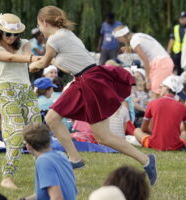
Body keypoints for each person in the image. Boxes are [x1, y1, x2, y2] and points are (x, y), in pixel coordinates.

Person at [29, 6, 157, 185]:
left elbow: (44, 62)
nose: (40, 29)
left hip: (89, 82)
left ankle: (146, 160)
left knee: (103, 136)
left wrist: (31, 64)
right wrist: (39, 61)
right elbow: (65, 65)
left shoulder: (54, 39)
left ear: (44, 22)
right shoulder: (66, 34)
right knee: (52, 118)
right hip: (85, 80)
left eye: (38, 25)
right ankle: (75, 158)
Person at [0, 13, 42, 189]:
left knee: (38, 133)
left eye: (15, 34)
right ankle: (7, 177)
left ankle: (45, 173)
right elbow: (10, 58)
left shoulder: (25, 43)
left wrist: (37, 61)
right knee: (16, 133)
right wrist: (33, 59)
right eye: (8, 34)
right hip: (7, 91)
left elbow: (27, 59)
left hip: (26, 90)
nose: (12, 37)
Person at [113, 25, 174, 99]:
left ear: (124, 35)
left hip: (161, 64)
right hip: (164, 62)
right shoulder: (138, 35)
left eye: (118, 38)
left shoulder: (134, 41)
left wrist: (147, 79)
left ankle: (154, 110)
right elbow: (147, 49)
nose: (118, 40)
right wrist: (129, 49)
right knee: (160, 91)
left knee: (156, 93)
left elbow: (145, 60)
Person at [22, 122, 77, 200]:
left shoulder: (43, 161)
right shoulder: (62, 156)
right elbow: (45, 194)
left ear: (28, 147)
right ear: (50, 140)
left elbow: (57, 197)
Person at [134, 75, 186, 151]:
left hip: (154, 144)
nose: (159, 89)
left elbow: (143, 128)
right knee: (184, 133)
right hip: (176, 146)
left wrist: (155, 133)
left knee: (137, 131)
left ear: (167, 88)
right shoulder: (182, 107)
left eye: (161, 87)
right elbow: (185, 129)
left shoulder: (152, 103)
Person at [167, 11, 186, 75]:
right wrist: (168, 50)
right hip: (177, 52)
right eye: (181, 18)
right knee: (177, 69)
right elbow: (172, 39)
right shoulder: (176, 28)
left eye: (184, 18)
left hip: (185, 52)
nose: (182, 20)